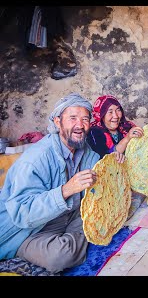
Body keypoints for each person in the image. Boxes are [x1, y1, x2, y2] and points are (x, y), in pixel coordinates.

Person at [0, 93, 100, 273]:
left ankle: (76, 230)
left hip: (65, 216)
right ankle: (79, 233)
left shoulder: (87, 153)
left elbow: (97, 191)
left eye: (85, 119)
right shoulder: (36, 159)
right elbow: (22, 214)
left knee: (101, 214)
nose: (80, 125)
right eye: (72, 118)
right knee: (60, 256)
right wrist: (66, 190)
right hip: (27, 230)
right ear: (57, 122)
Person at [86, 95, 144, 161]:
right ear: (101, 115)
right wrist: (127, 138)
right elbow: (105, 160)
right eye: (110, 112)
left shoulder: (127, 127)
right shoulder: (93, 133)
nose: (115, 116)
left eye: (118, 110)